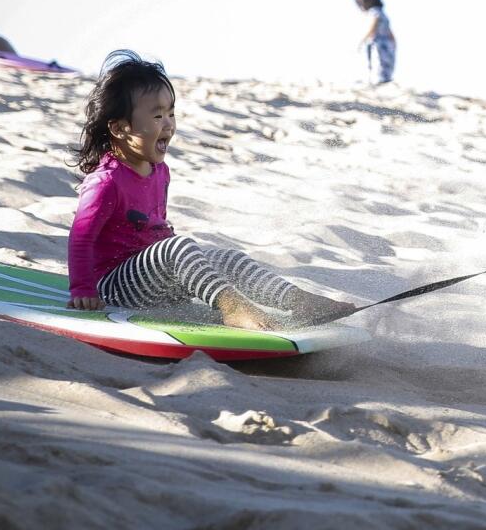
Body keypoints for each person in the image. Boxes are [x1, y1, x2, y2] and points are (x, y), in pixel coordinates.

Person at [67, 50, 356, 328]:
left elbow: (152, 227)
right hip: (114, 287)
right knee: (177, 248)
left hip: (155, 281)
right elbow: (81, 239)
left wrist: (189, 267)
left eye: (171, 114)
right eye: (157, 117)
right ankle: (232, 307)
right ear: (119, 129)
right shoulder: (106, 182)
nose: (168, 125)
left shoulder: (160, 171)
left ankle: (296, 300)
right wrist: (82, 290)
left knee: (227, 258)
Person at [353, 0, 396, 84]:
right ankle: (382, 80)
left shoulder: (374, 12)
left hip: (378, 45)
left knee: (377, 64)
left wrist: (362, 41)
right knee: (385, 65)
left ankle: (376, 81)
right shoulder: (382, 13)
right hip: (387, 44)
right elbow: (388, 30)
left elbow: (373, 27)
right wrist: (394, 43)